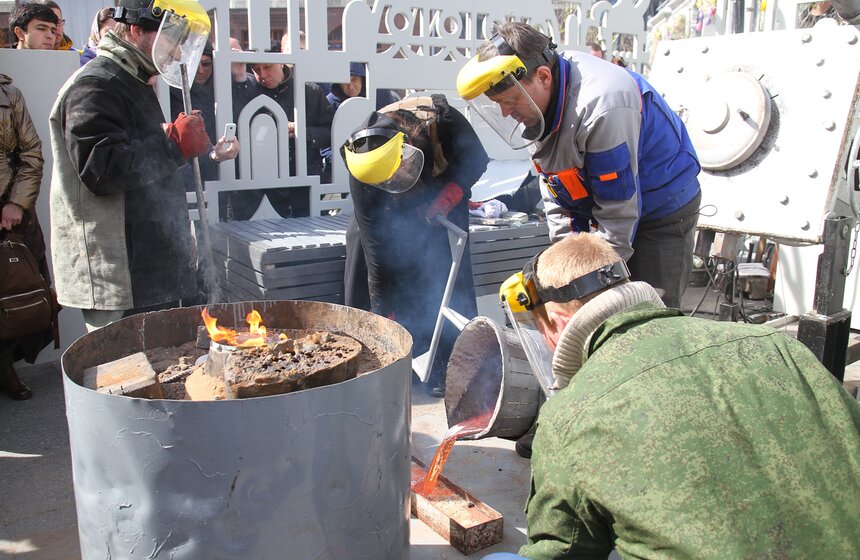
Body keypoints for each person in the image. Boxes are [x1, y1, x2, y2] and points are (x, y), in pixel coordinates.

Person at [491, 233, 860, 559]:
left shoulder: (569, 416)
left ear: (557, 321)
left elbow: (562, 551)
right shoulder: (780, 346)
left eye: (541, 330)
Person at [457, 22, 701, 310]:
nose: (506, 113)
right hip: (607, 202)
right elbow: (558, 197)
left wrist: (589, 286)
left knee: (648, 309)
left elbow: (618, 216)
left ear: (544, 76)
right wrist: (564, 270)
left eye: (510, 101)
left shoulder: (602, 106)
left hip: (661, 207)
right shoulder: (539, 106)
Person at [49, 0, 238, 332]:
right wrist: (173, 144)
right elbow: (101, 169)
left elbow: (143, 168)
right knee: (123, 376)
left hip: (147, 264)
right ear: (137, 30)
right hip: (120, 272)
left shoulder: (129, 81)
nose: (178, 53)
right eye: (172, 40)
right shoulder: (95, 85)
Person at [340, 94, 488, 397]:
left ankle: (448, 363)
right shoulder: (361, 166)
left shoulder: (442, 120)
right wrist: (384, 315)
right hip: (385, 208)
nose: (394, 180)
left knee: (440, 268)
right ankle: (376, 352)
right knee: (362, 253)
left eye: (396, 172)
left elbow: (477, 160)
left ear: (406, 150)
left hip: (443, 190)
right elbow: (376, 250)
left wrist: (448, 196)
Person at [0, 73, 59, 400]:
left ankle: (8, 366)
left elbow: (31, 152)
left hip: (11, 209)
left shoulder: (9, 94)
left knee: (22, 292)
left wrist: (16, 203)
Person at [225, 56, 333, 220]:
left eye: (268, 67)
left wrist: (304, 132)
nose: (263, 75)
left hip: (303, 188)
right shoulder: (248, 92)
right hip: (259, 191)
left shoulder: (309, 92)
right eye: (256, 70)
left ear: (281, 62)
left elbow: (331, 131)